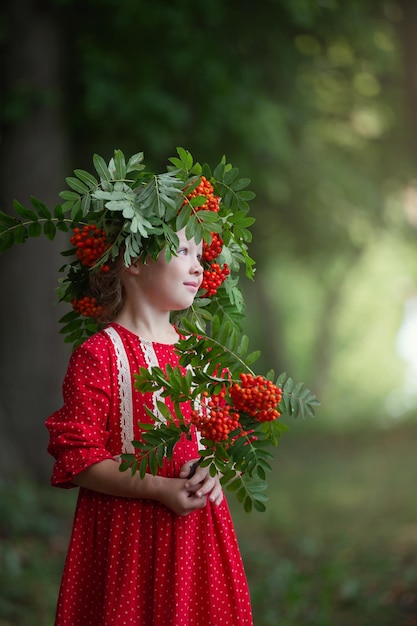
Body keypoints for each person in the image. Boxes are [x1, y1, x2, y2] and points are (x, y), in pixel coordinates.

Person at [45, 225, 254, 625]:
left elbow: (224, 438)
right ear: (134, 260)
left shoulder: (199, 354)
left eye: (200, 255)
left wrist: (214, 468)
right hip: (127, 541)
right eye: (184, 251)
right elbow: (78, 458)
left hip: (197, 539)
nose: (198, 265)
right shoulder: (99, 354)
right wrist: (158, 488)